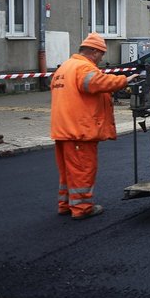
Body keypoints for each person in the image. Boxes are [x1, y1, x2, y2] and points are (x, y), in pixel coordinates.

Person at [50, 33, 140, 220]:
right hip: (79, 131)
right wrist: (125, 80)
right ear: (92, 51)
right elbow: (96, 83)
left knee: (68, 172)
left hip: (63, 130)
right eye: (100, 53)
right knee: (83, 170)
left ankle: (66, 204)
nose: (101, 58)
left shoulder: (65, 68)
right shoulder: (83, 67)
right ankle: (82, 207)